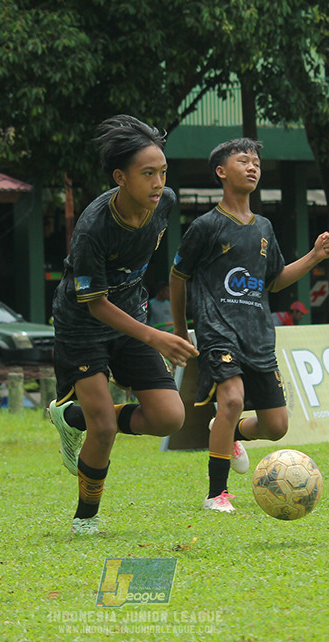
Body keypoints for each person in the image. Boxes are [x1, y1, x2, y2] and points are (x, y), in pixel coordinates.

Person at [45, 115, 198, 537]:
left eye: (162, 172)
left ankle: (73, 417)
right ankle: (85, 519)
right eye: (147, 173)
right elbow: (94, 305)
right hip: (83, 325)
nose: (158, 182)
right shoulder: (93, 228)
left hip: (132, 314)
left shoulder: (163, 203)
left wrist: (149, 326)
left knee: (169, 418)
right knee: (106, 427)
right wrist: (157, 337)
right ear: (120, 177)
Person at [170, 137, 329, 514]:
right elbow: (177, 276)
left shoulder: (263, 227)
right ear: (221, 172)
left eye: (256, 163)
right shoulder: (206, 226)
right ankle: (217, 493)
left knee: (276, 426)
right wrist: (181, 330)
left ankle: (228, 432)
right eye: (243, 161)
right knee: (231, 398)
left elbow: (274, 280)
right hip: (217, 330)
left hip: (258, 335)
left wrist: (314, 255)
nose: (253, 167)